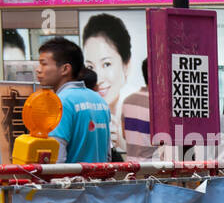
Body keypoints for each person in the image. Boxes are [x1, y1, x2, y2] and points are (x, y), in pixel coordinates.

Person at [37, 37, 112, 164]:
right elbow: (108, 154)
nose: (38, 69)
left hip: (70, 183)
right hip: (99, 182)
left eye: (44, 64)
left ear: (65, 69)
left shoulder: (59, 103)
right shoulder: (100, 101)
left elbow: (56, 161)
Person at [82, 13, 140, 154]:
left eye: (106, 64)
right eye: (90, 67)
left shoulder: (136, 107)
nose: (98, 77)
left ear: (126, 65)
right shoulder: (83, 109)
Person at [121, 56, 154, 161]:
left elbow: (125, 135)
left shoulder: (128, 101)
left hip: (132, 168)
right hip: (156, 170)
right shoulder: (160, 104)